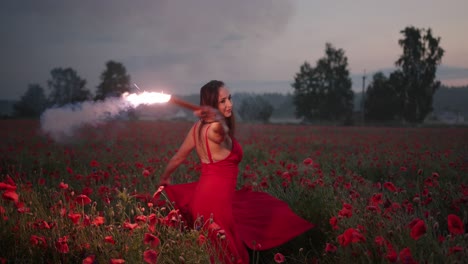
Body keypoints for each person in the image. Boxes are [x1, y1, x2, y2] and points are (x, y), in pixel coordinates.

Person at [158, 80, 314, 263]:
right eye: (222, 101)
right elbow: (222, 130)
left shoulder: (196, 129)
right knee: (226, 253)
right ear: (211, 104)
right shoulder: (216, 129)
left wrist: (164, 178)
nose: (229, 104)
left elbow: (178, 157)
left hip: (205, 196)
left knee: (214, 250)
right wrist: (217, 118)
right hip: (217, 201)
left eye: (229, 98)